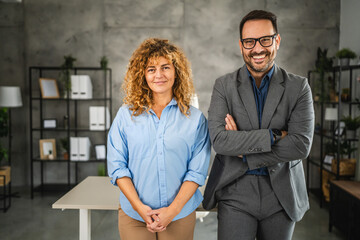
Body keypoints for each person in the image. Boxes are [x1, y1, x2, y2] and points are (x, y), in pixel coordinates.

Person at [203, 10, 314, 240]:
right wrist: (275, 135)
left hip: (282, 193)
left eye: (265, 39)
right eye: (249, 41)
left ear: (277, 40)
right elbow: (220, 141)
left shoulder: (299, 87)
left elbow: (300, 145)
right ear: (241, 45)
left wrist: (244, 150)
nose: (257, 49)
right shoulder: (224, 86)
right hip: (235, 189)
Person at [107, 38, 211, 240]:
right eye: (151, 69)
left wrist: (171, 211)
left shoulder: (196, 120)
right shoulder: (125, 115)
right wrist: (140, 208)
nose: (159, 75)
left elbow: (197, 172)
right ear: (142, 74)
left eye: (165, 67)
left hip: (179, 214)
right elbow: (117, 167)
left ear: (176, 72)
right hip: (135, 215)